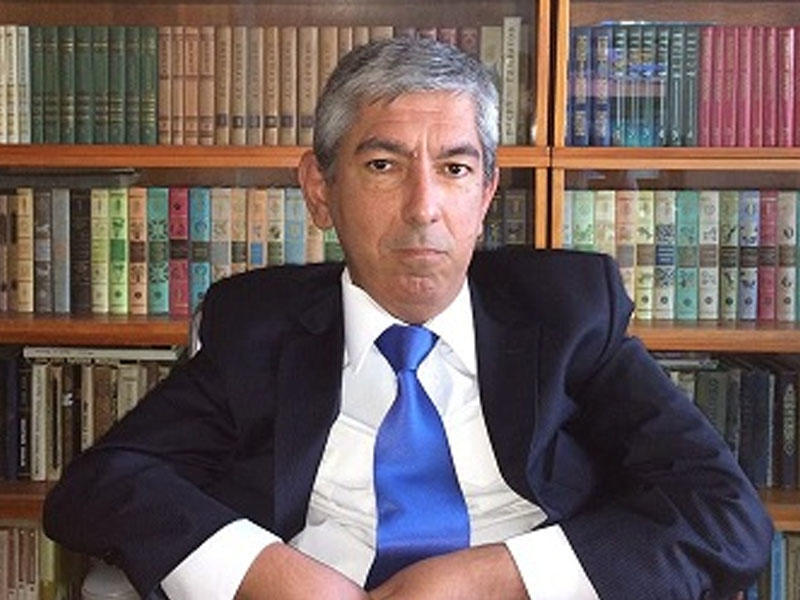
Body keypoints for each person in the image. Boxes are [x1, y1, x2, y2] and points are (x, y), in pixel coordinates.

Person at [44, 37, 772, 600]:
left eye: (454, 169)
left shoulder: (567, 314)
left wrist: (487, 578)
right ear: (320, 190)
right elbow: (104, 482)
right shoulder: (259, 326)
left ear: (486, 195)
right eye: (383, 166)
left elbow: (725, 514)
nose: (424, 208)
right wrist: (267, 572)